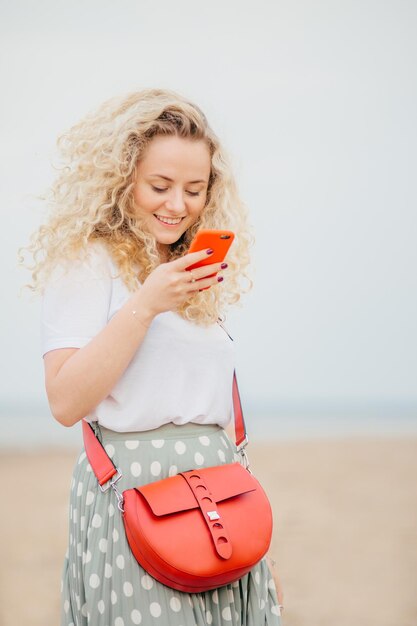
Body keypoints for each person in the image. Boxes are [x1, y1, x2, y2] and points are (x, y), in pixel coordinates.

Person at [20, 88, 284, 625]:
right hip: (136, 495)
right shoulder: (88, 262)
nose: (177, 205)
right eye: (159, 186)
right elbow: (66, 401)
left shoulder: (191, 269)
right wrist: (146, 304)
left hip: (218, 492)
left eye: (195, 189)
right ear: (123, 180)